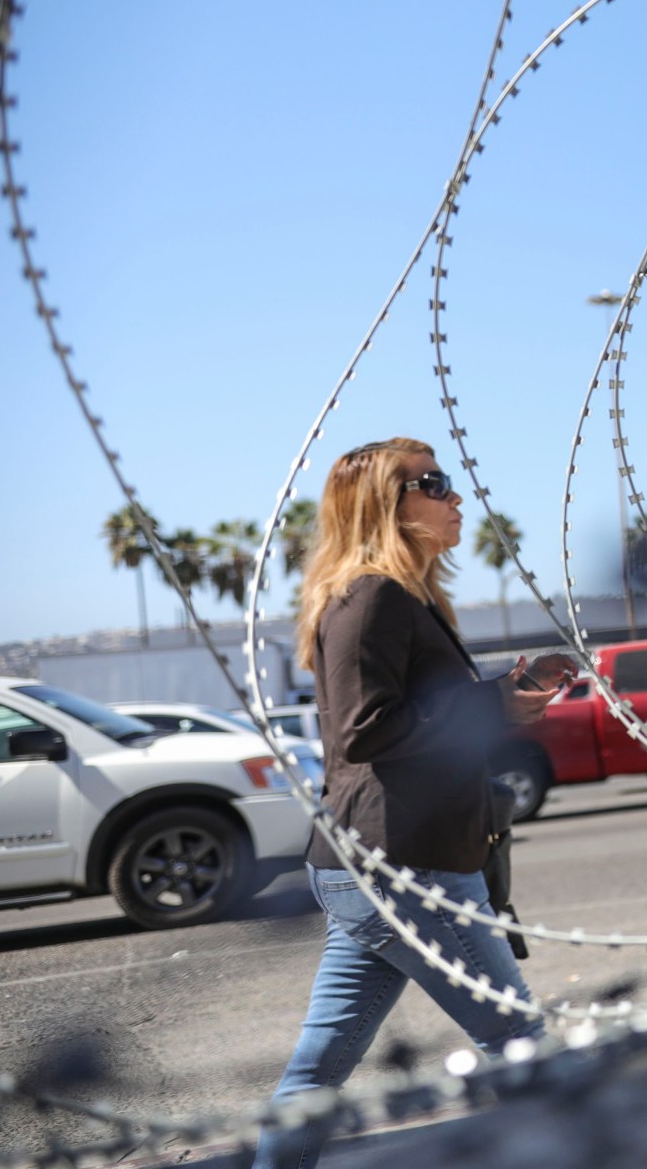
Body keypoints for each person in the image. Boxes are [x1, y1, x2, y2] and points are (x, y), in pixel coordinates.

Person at [255, 439, 579, 1169]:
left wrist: (507, 690)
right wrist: (493, 701)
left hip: (386, 861)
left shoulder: (405, 597)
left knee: (321, 1065)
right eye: (432, 483)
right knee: (519, 1042)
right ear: (383, 504)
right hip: (403, 864)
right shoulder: (372, 596)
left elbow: (413, 711)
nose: (454, 496)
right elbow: (366, 728)